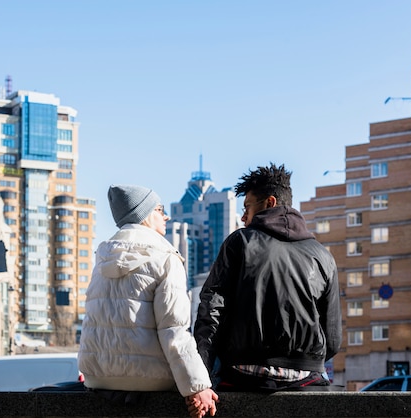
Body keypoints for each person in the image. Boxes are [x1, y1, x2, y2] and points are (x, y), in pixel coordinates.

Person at [194, 163, 342, 392]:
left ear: (269, 203)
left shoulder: (239, 242)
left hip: (242, 376)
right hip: (307, 380)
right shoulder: (322, 256)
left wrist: (201, 375)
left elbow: (212, 311)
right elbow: (332, 340)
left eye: (247, 207)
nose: (243, 217)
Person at [79, 184, 218, 418]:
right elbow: (173, 330)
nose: (166, 216)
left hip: (97, 377)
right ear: (144, 214)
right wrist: (198, 387)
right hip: (149, 378)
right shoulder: (165, 258)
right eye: (160, 209)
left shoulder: (102, 258)